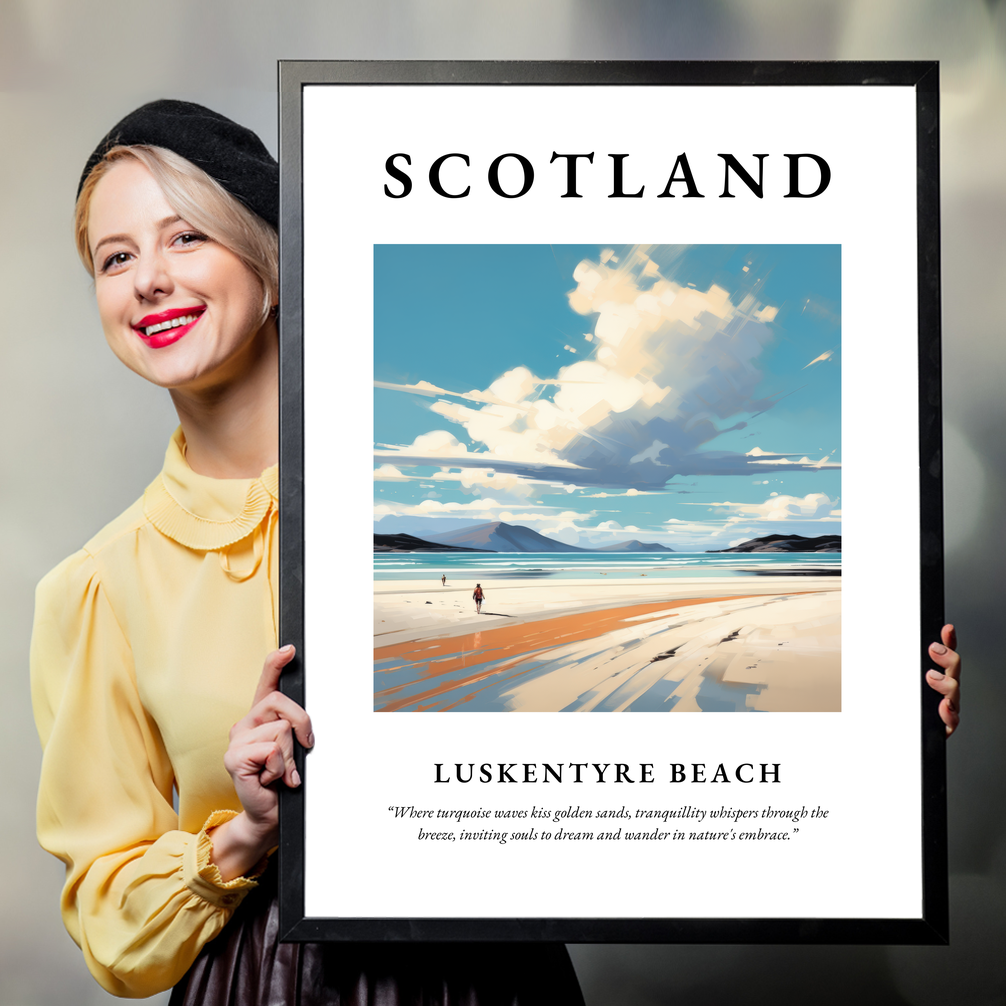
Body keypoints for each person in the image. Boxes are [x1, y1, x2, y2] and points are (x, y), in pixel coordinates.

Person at [30, 100, 584, 1004]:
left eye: (186, 238)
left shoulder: (439, 494)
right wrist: (244, 833)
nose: (148, 281)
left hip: (493, 972)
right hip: (263, 981)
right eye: (116, 257)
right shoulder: (97, 587)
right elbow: (110, 924)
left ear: (273, 263)